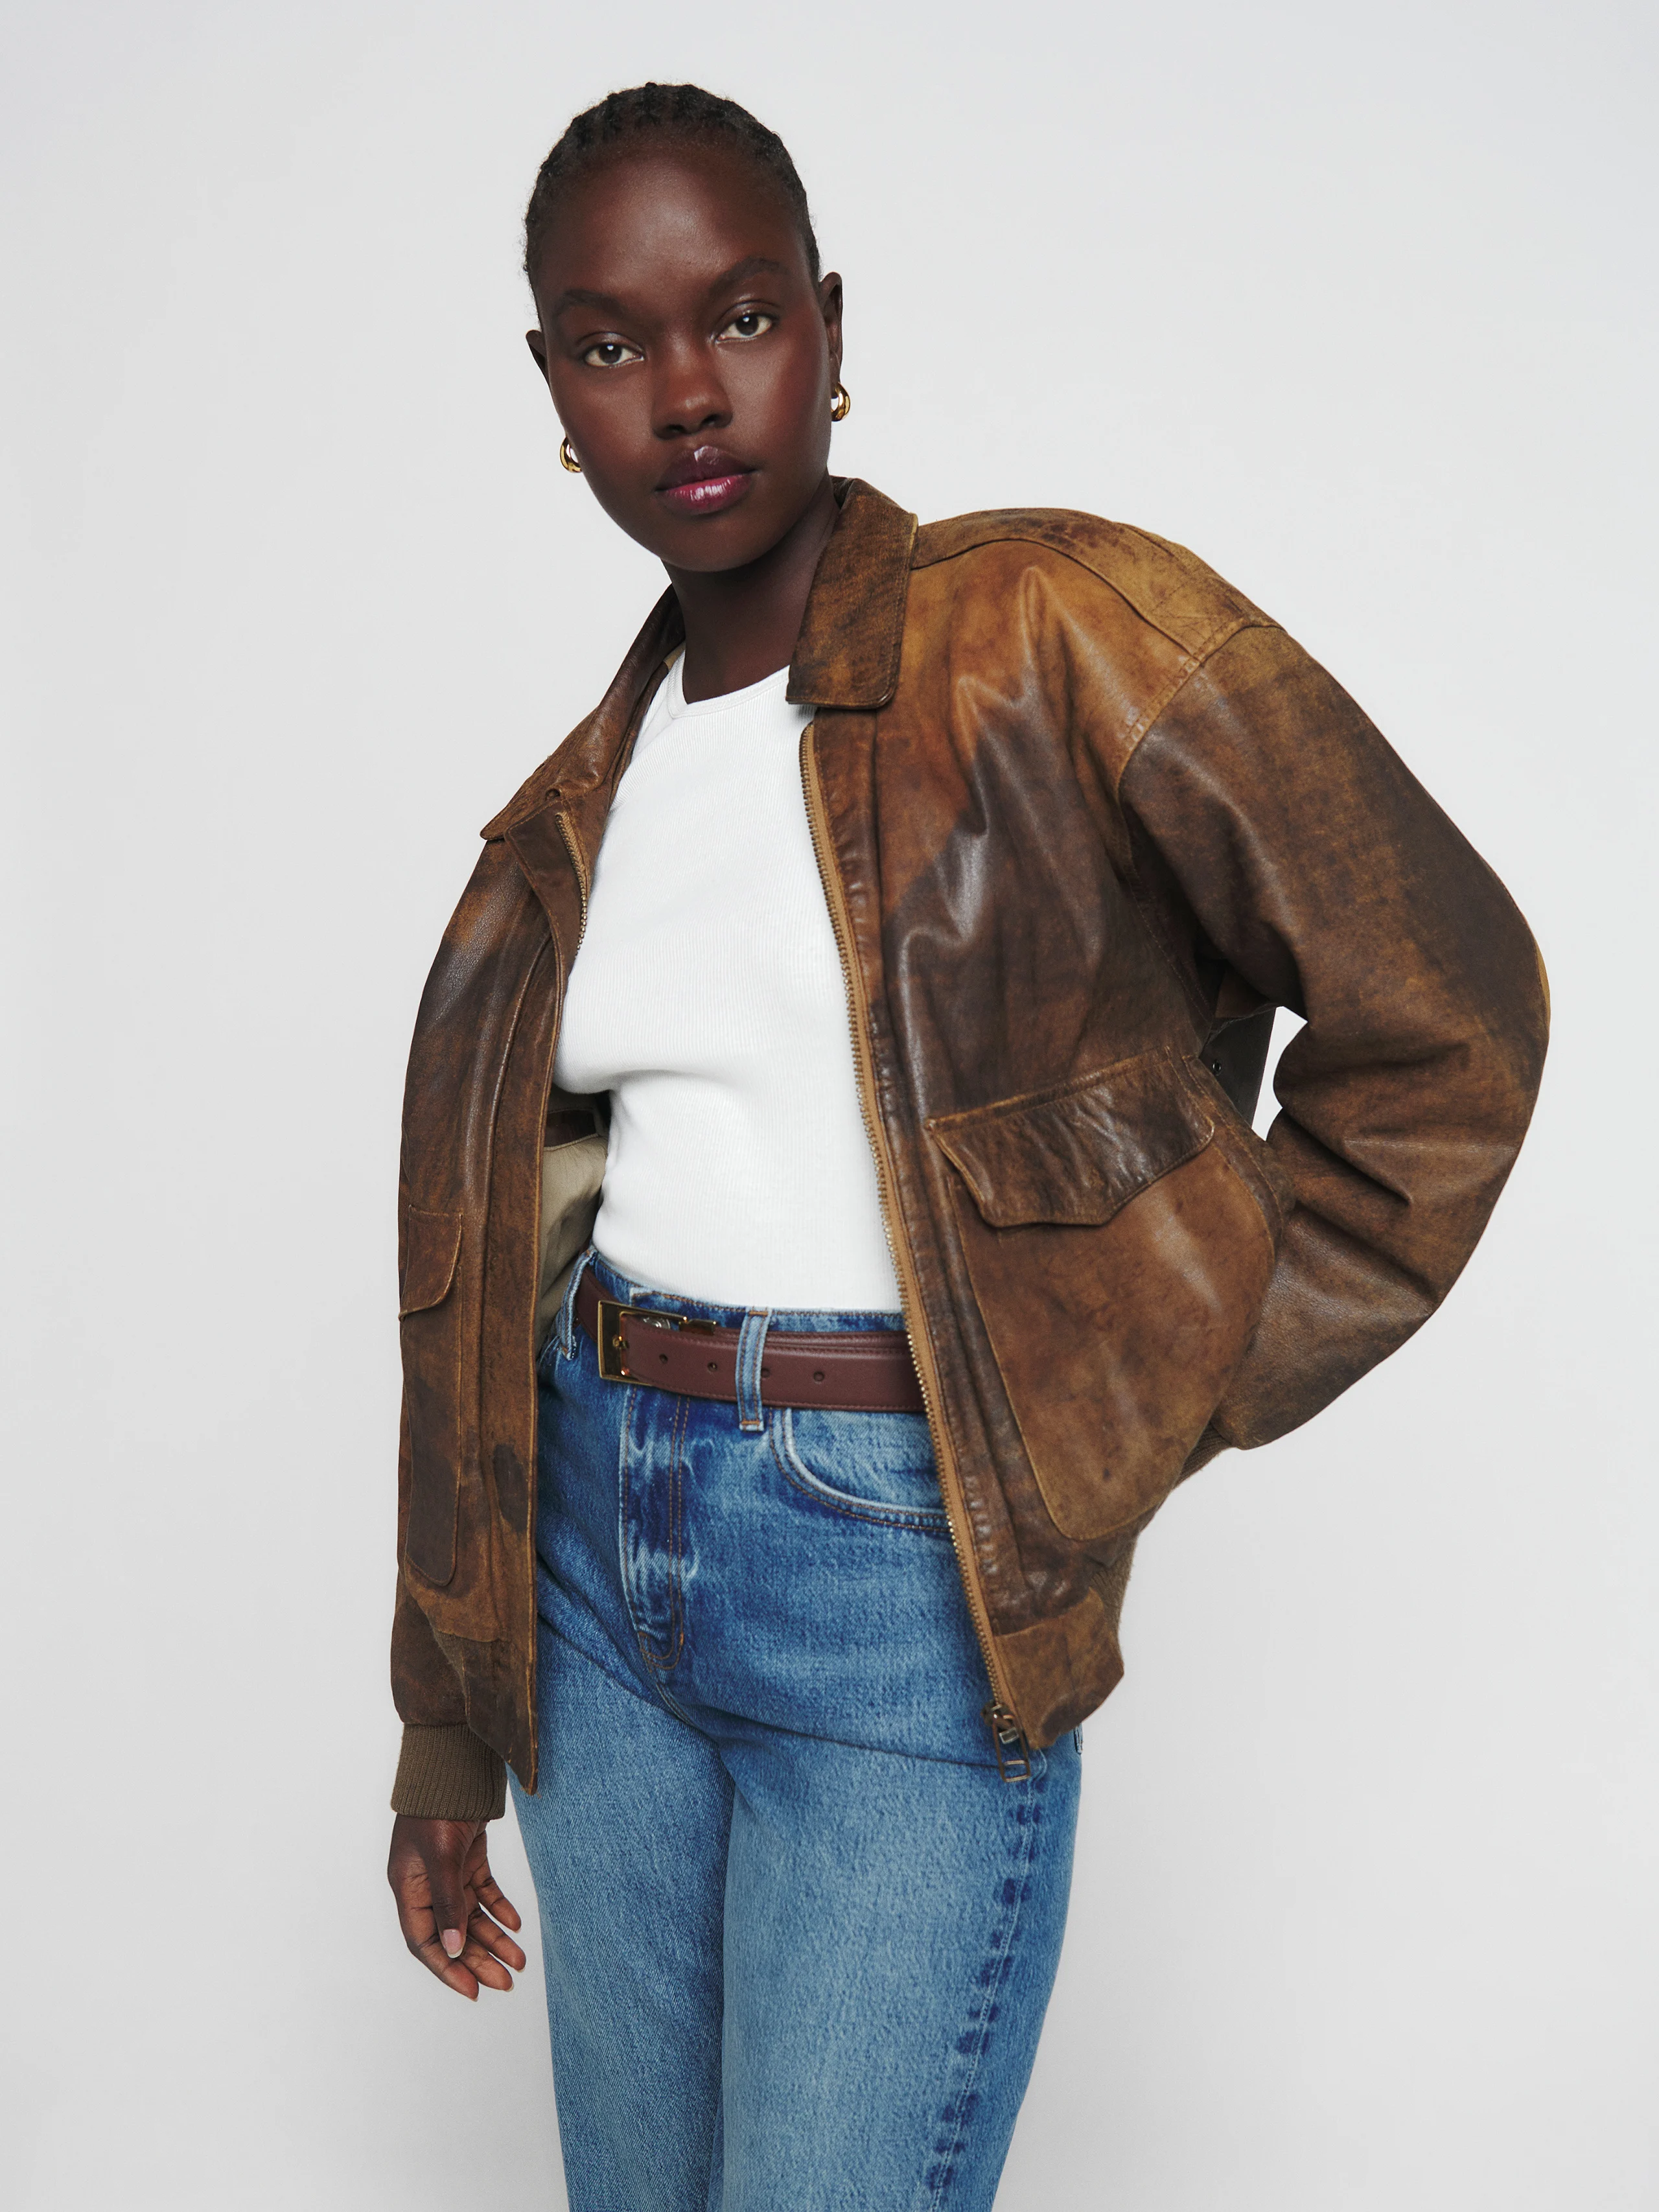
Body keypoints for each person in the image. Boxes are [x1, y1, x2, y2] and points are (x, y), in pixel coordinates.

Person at [384, 81, 1548, 2211]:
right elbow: (486, 1291)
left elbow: (1448, 1012)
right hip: (590, 1576)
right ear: (553, 390)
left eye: (741, 314)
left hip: (893, 1564)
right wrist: (448, 1721)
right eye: (613, 344)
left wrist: (1147, 1373)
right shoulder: (564, 819)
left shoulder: (1054, 630)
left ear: (830, 326)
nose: (687, 392)